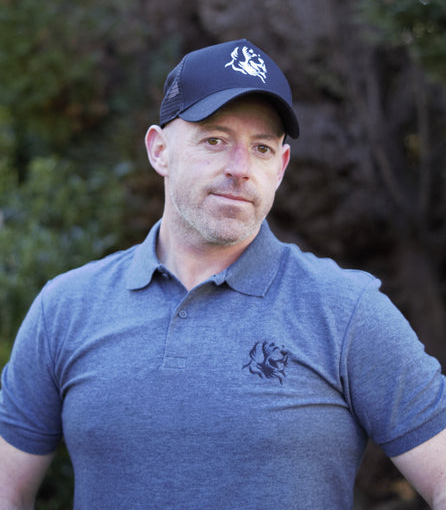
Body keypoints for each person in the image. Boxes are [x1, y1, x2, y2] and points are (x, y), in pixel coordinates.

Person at [1, 39, 446, 509]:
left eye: (261, 149)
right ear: (159, 151)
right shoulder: (66, 306)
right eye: (215, 140)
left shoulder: (347, 310)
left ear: (281, 167)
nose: (241, 169)